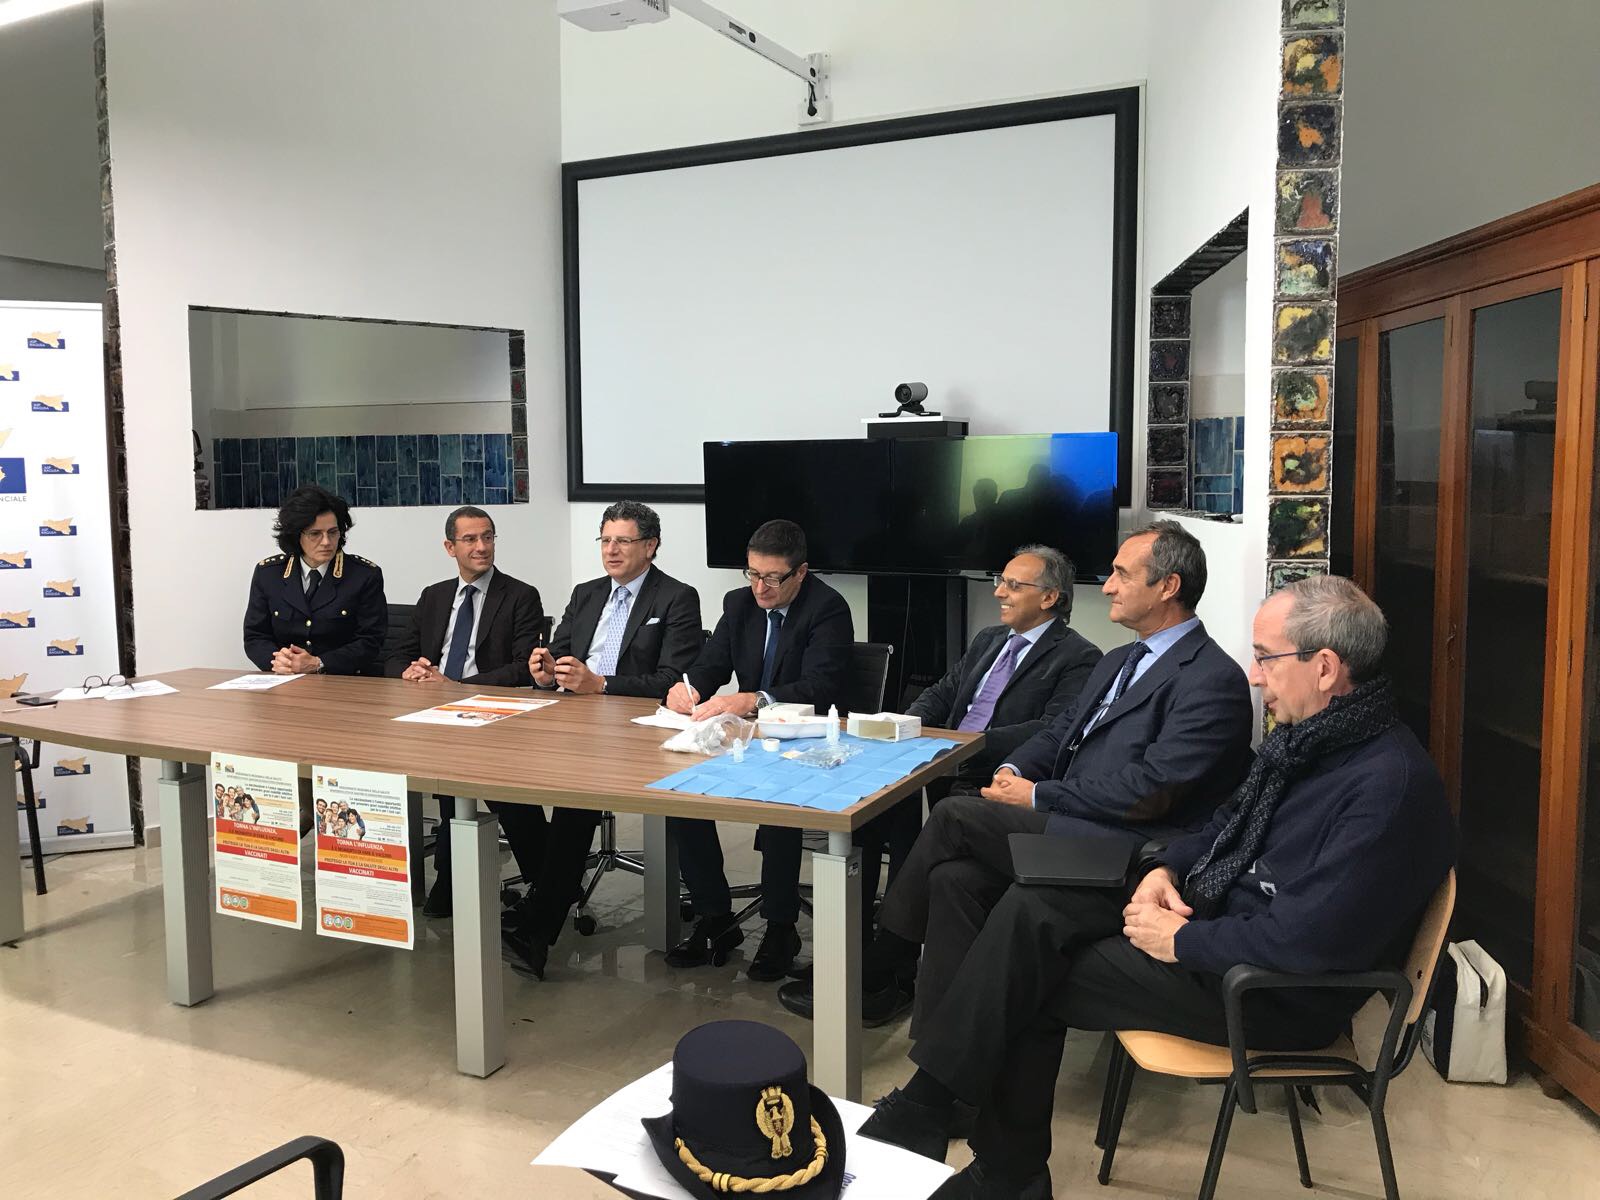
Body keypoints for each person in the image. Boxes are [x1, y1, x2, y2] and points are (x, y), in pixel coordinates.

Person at [857, 576, 1458, 1200]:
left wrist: (1182, 940)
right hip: (1222, 924)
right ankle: (946, 1120)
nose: (1255, 676)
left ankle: (990, 1161)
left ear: (1325, 668)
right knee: (1034, 904)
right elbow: (1224, 824)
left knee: (1031, 969)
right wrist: (1164, 871)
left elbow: (1308, 941)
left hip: (1273, 990)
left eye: (1265, 658)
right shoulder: (1312, 741)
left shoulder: (1387, 788)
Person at [779, 520, 1252, 1026]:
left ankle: (878, 965)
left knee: (955, 815)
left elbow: (1153, 791)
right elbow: (1060, 732)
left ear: (1168, 586)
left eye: (1121, 574)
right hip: (1076, 820)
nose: (1108, 586)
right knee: (953, 878)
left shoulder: (1211, 677)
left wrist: (1039, 795)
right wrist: (1014, 769)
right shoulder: (1119, 659)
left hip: (1125, 846)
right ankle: (942, 1040)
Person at [850, 545, 1103, 940]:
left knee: (936, 841)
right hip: (941, 762)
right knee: (870, 808)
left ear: (1049, 597)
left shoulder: (1079, 656)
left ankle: (891, 942)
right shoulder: (990, 639)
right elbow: (943, 692)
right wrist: (905, 724)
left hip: (992, 775)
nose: (999, 592)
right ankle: (857, 934)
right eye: (1001, 581)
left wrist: (968, 745)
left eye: (1014, 585)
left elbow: (1051, 731)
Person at [501, 500, 702, 979]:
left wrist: (602, 684)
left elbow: (672, 679)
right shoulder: (586, 593)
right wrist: (546, 674)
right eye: (605, 540)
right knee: (503, 777)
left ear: (649, 546)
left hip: (636, 728)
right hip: (571, 720)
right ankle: (551, 886)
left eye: (623, 541)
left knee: (576, 799)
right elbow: (561, 657)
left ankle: (538, 928)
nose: (611, 550)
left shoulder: (676, 597)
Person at [662, 519, 853, 980]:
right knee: (680, 794)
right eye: (752, 574)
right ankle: (714, 915)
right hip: (745, 736)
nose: (760, 587)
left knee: (780, 804)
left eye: (772, 577)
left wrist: (755, 699)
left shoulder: (827, 608)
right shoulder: (739, 603)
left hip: (806, 736)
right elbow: (711, 666)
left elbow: (821, 686)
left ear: (800, 572)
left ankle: (780, 926)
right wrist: (688, 689)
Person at [385, 505, 545, 918]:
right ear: (449, 547)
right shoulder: (434, 596)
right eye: (470, 539)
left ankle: (544, 880)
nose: (481, 547)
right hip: (432, 713)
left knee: (503, 792)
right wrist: (410, 671)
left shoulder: (520, 595)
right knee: (438, 774)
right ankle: (451, 875)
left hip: (494, 715)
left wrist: (459, 688)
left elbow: (523, 667)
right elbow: (400, 653)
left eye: (488, 537)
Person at [243, 484, 387, 676]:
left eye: (333, 532)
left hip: (341, 680)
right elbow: (255, 636)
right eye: (315, 534)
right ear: (296, 535)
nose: (326, 542)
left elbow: (370, 641)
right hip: (283, 680)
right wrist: (278, 661)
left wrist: (319, 663)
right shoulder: (269, 574)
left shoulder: (364, 575)